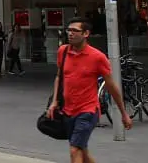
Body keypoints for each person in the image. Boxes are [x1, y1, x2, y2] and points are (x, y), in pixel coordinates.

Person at [47, 17, 131, 163]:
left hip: (88, 111)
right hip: (67, 111)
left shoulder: (97, 57)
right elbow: (59, 77)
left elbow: (111, 86)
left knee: (74, 150)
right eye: (69, 30)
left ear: (86, 33)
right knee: (82, 150)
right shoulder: (63, 51)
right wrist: (54, 102)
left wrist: (123, 113)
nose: (70, 33)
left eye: (75, 31)